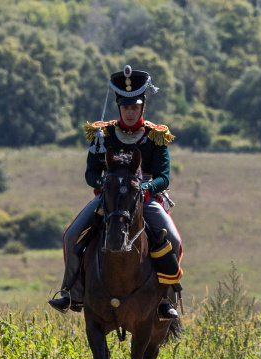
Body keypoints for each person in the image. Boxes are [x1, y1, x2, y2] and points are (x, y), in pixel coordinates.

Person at [50, 66, 182, 319]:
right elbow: (90, 172)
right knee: (70, 236)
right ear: (119, 108)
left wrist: (145, 188)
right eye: (125, 108)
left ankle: (166, 299)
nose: (130, 113)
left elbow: (164, 177)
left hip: (145, 199)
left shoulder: (156, 136)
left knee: (174, 241)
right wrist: (103, 186)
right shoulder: (103, 134)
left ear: (143, 108)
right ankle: (69, 291)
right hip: (109, 198)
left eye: (135, 108)